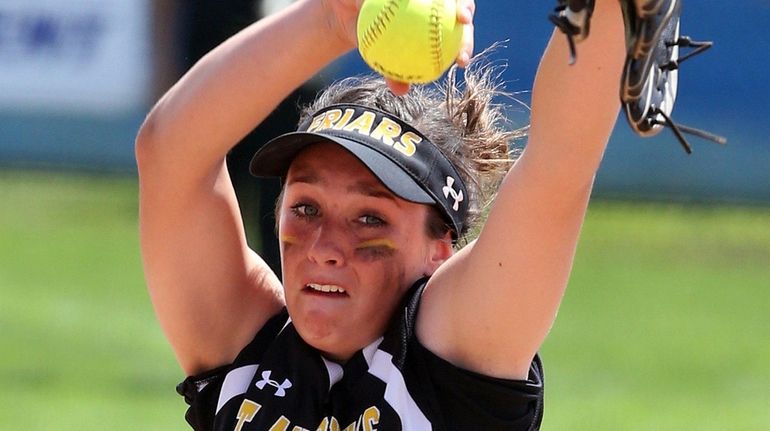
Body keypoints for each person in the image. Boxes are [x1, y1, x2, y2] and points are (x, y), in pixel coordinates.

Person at [136, 0, 628, 429]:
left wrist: (608, 10)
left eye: (369, 218)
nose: (324, 248)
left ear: (440, 251)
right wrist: (327, 20)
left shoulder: (455, 366)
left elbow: (558, 168)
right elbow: (170, 156)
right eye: (306, 207)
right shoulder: (248, 351)